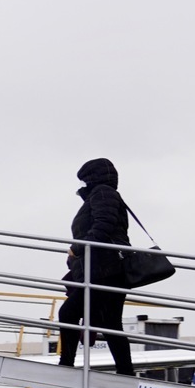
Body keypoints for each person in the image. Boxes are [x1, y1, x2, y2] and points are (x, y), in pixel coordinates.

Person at [55, 158, 134, 375]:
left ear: (92, 177)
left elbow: (103, 225)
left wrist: (77, 248)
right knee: (109, 323)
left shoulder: (102, 193)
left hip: (105, 270)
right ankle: (126, 372)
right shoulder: (104, 193)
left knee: (68, 313)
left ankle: (66, 365)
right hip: (108, 270)